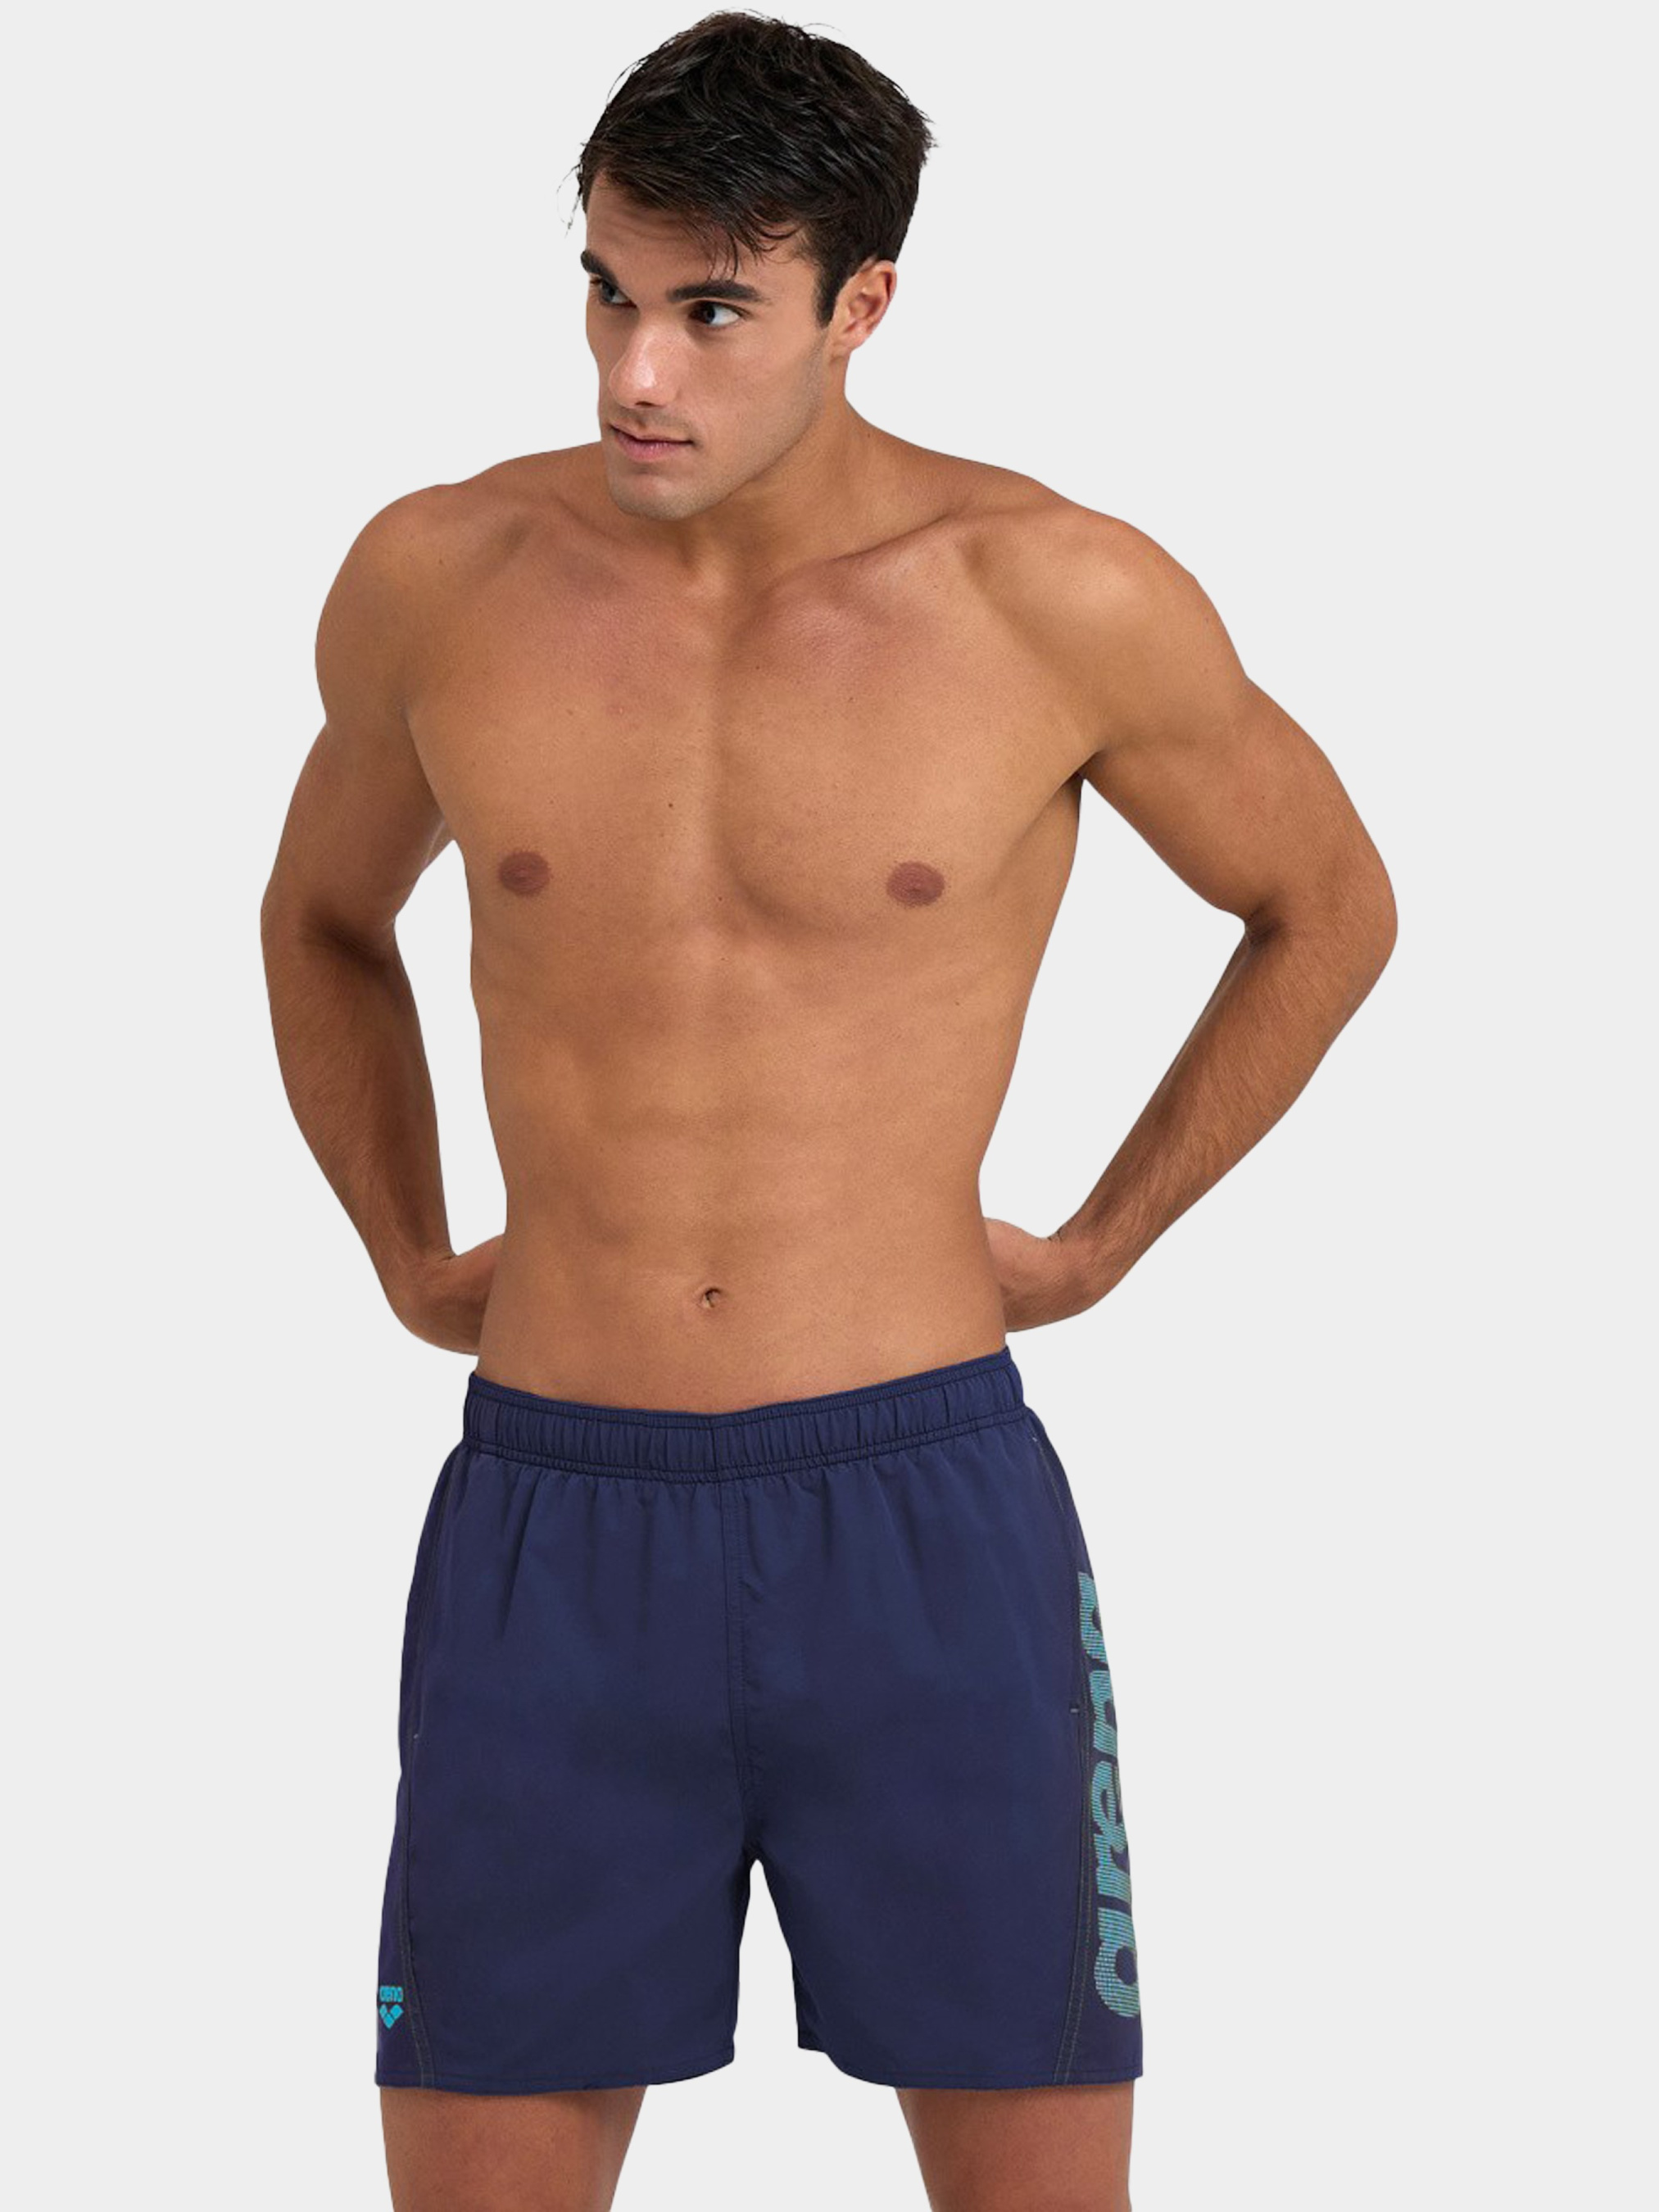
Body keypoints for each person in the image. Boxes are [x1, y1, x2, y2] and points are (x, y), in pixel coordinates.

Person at [260, 11, 1396, 2209]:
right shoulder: (442, 577)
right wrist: (402, 1248)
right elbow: (320, 917)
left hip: (919, 1513)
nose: (635, 374)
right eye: (604, 289)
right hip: (552, 1518)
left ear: (859, 304)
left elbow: (1325, 903)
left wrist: (1101, 1240)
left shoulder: (1052, 592)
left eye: (710, 311)